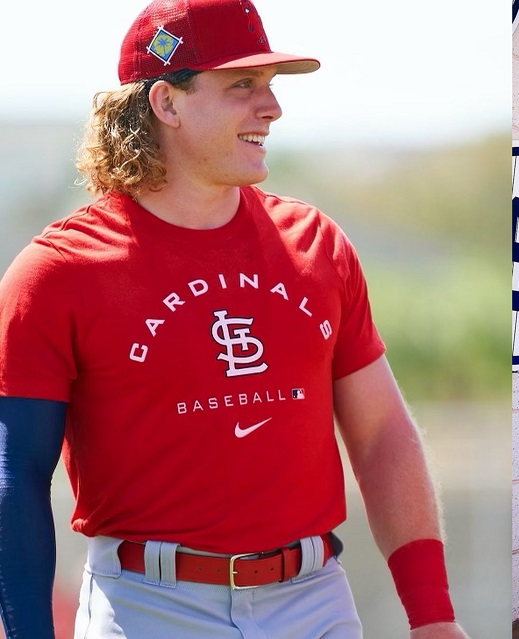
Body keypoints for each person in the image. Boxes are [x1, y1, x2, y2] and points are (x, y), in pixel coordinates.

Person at [0, 1, 469, 637]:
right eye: (241, 86)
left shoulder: (317, 244)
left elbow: (383, 431)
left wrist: (433, 616)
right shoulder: (56, 274)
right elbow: (15, 476)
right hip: (148, 610)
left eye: (271, 86)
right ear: (166, 103)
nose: (271, 108)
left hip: (316, 600)